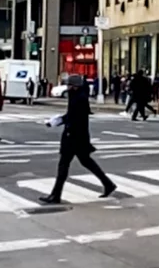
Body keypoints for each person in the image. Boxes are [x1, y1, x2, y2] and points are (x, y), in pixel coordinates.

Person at [39, 74, 116, 205]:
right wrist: (57, 121)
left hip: (74, 137)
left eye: (69, 85)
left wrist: (64, 126)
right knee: (86, 162)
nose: (67, 87)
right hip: (78, 137)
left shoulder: (79, 98)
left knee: (64, 165)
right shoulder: (77, 96)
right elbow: (70, 115)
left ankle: (56, 195)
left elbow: (75, 118)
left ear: (75, 86)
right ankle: (108, 184)